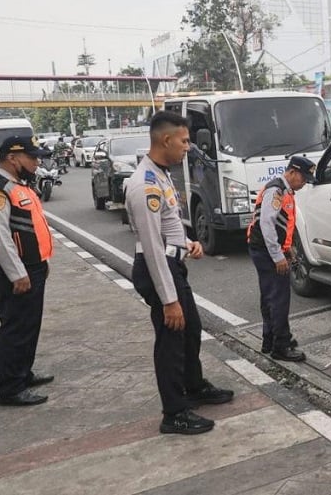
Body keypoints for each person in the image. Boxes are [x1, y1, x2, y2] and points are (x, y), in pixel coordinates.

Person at [125, 111, 233, 435]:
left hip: (172, 262)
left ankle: (194, 386)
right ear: (166, 140)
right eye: (184, 141)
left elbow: (166, 229)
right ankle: (174, 412)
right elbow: (151, 246)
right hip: (158, 269)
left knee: (191, 330)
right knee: (171, 339)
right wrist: (169, 299)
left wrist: (187, 243)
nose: (189, 147)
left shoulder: (161, 173)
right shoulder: (144, 185)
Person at [0, 135, 55, 406]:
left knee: (29, 325)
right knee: (16, 327)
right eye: (31, 157)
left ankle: (23, 373)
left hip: (32, 267)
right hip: (15, 272)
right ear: (12, 158)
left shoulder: (18, 185)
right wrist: (16, 273)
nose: (36, 162)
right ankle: (10, 388)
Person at [246, 155, 314, 362]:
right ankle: (281, 346)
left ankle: (269, 340)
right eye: (303, 178)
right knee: (278, 299)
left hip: (266, 249)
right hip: (266, 251)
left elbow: (282, 225)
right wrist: (278, 256)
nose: (303, 184)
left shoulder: (285, 190)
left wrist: (289, 249)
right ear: (292, 172)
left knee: (269, 296)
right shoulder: (276, 190)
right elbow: (267, 225)